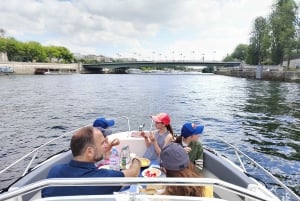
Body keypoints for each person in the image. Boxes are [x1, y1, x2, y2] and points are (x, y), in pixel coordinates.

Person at [42, 126, 141, 197]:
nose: (105, 146)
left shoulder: (54, 171)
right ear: (89, 152)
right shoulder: (103, 179)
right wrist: (136, 159)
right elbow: (133, 173)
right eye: (102, 143)